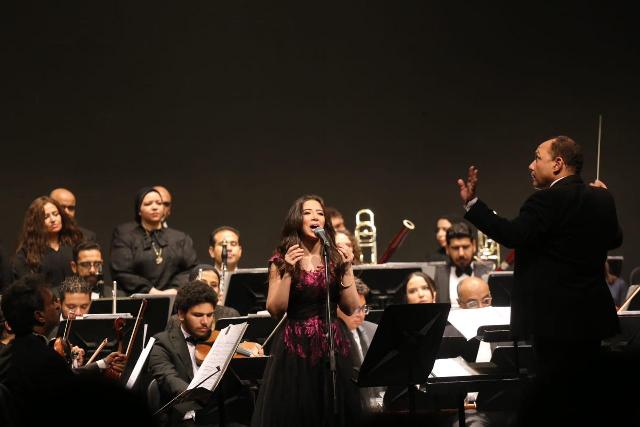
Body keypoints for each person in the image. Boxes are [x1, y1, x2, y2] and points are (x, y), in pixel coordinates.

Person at [457, 135, 623, 424]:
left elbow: (512, 235)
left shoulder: (545, 199)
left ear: (558, 164)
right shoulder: (601, 197)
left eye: (537, 158)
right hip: (591, 320)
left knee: (554, 402)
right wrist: (603, 202)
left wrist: (473, 204)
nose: (530, 165)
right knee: (585, 400)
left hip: (553, 322)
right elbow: (614, 239)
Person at [251, 195, 361, 427]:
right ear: (296, 219)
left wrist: (347, 267)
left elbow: (351, 307)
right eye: (308, 212)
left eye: (320, 213)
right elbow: (275, 309)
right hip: (296, 346)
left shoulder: (334, 257)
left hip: (333, 343)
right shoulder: (281, 259)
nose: (315, 217)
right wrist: (289, 271)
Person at [0, 275, 126, 425]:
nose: (58, 306)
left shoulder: (11, 351)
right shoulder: (43, 358)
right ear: (39, 316)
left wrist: (103, 363)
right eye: (52, 302)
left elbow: (69, 375)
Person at [148, 280, 260, 426]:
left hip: (218, 419)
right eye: (198, 315)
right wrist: (197, 394)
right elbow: (168, 378)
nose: (205, 322)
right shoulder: (162, 343)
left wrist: (252, 360)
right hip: (183, 419)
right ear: (181, 314)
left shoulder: (221, 340)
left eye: (209, 315)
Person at [110, 187, 198, 296]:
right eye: (148, 204)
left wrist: (175, 289)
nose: (155, 207)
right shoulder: (126, 236)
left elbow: (192, 269)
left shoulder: (180, 238)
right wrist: (150, 290)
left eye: (159, 203)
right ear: (139, 210)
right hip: (138, 298)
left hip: (175, 298)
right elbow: (121, 272)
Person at [12, 196, 84, 293]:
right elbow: (27, 287)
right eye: (46, 217)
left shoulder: (75, 243)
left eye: (55, 214)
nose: (53, 220)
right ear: (36, 222)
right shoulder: (26, 252)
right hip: (44, 300)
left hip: (76, 299)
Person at [433, 222, 493, 307]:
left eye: (465, 247)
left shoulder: (487, 270)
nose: (461, 253)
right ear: (447, 249)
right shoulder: (439, 274)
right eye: (455, 248)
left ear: (474, 246)